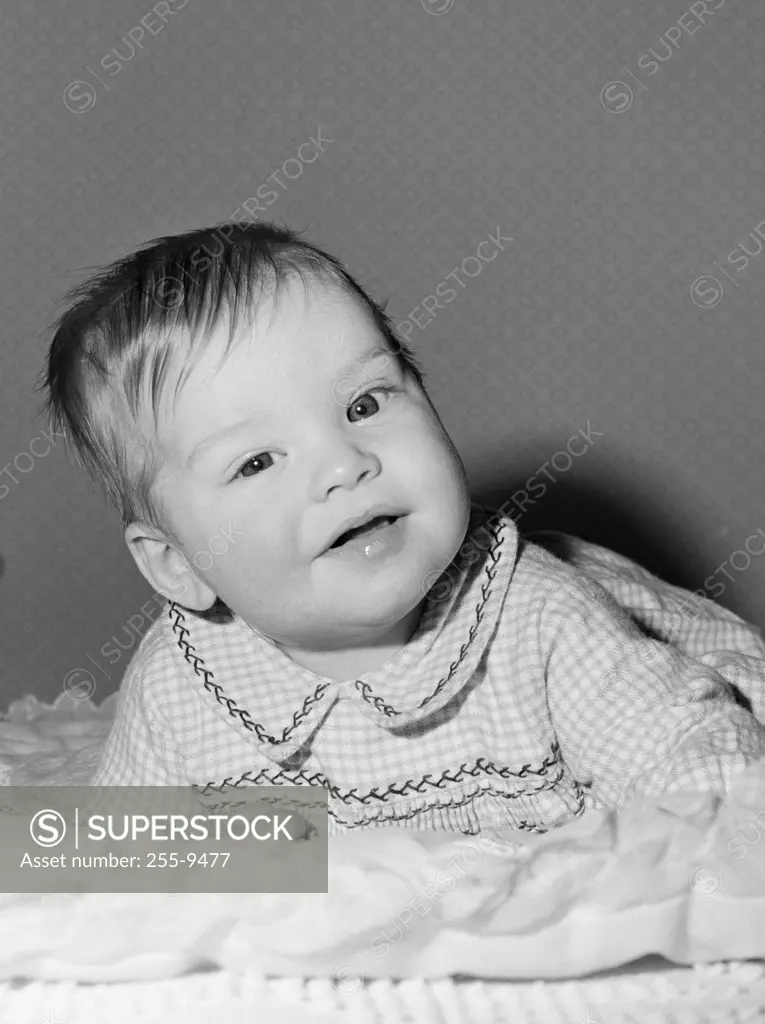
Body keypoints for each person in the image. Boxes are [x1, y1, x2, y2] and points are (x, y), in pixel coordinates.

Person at [39, 222, 765, 836]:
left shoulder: (540, 619)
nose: (344, 465)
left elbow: (694, 761)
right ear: (177, 567)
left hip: (648, 648)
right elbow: (123, 851)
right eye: (257, 461)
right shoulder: (182, 684)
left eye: (362, 405)